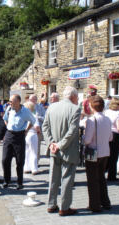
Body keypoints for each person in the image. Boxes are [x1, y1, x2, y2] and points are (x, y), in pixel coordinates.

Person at [43, 86, 81, 216]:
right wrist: (59, 145)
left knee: (53, 178)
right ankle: (64, 207)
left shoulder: (52, 107)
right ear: (74, 96)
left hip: (54, 149)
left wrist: (51, 143)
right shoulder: (75, 109)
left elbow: (45, 127)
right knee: (67, 179)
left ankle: (51, 204)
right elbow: (72, 131)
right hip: (68, 149)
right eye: (77, 97)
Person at [83, 95, 113, 212]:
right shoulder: (107, 119)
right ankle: (105, 201)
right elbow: (110, 137)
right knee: (101, 178)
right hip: (105, 151)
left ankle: (94, 205)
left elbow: (87, 140)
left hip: (93, 152)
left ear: (91, 106)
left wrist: (83, 136)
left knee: (92, 180)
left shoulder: (91, 120)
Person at [2, 94, 37, 190]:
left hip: (19, 136)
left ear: (18, 101)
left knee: (20, 161)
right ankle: (6, 180)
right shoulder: (9, 109)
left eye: (12, 101)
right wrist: (8, 126)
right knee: (5, 159)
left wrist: (26, 130)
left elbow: (33, 121)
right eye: (10, 101)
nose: (10, 103)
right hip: (9, 135)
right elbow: (5, 119)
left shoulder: (25, 111)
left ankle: (20, 182)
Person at [104, 98, 119, 181]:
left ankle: (104, 171)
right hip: (115, 134)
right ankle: (112, 175)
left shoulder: (107, 112)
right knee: (114, 155)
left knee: (107, 154)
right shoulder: (118, 114)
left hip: (106, 133)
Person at [23, 101, 40, 175]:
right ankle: (34, 168)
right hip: (32, 134)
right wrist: (39, 131)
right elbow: (37, 126)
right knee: (34, 152)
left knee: (27, 151)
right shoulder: (34, 116)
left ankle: (26, 167)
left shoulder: (24, 116)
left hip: (25, 135)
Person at [29, 94, 45, 162]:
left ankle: (36, 161)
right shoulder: (26, 107)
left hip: (38, 129)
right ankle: (28, 162)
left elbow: (45, 118)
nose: (33, 101)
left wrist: (38, 117)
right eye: (32, 99)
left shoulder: (40, 107)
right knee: (28, 146)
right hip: (28, 130)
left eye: (34, 99)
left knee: (37, 146)